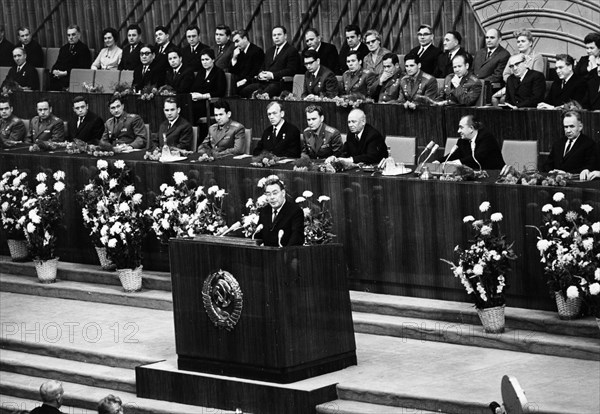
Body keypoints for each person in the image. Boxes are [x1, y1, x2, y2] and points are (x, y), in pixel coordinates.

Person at [239, 26, 300, 98]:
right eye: (274, 35)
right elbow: (262, 66)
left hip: (280, 83)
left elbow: (291, 70)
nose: (276, 37)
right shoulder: (269, 51)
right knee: (245, 91)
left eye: (279, 34)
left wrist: (272, 75)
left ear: (285, 36)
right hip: (264, 83)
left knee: (263, 94)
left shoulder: (291, 50)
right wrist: (260, 74)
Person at [257, 175, 304, 247]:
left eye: (275, 193)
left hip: (287, 255)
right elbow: (259, 237)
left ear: (283, 193)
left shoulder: (295, 211)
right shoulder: (264, 211)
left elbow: (296, 239)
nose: (272, 197)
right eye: (268, 194)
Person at [48, 25, 92, 91]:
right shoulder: (64, 48)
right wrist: (54, 71)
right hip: (60, 77)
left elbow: (83, 67)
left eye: (73, 35)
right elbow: (58, 63)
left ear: (79, 35)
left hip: (74, 77)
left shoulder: (83, 49)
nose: (71, 37)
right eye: (69, 35)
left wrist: (65, 73)